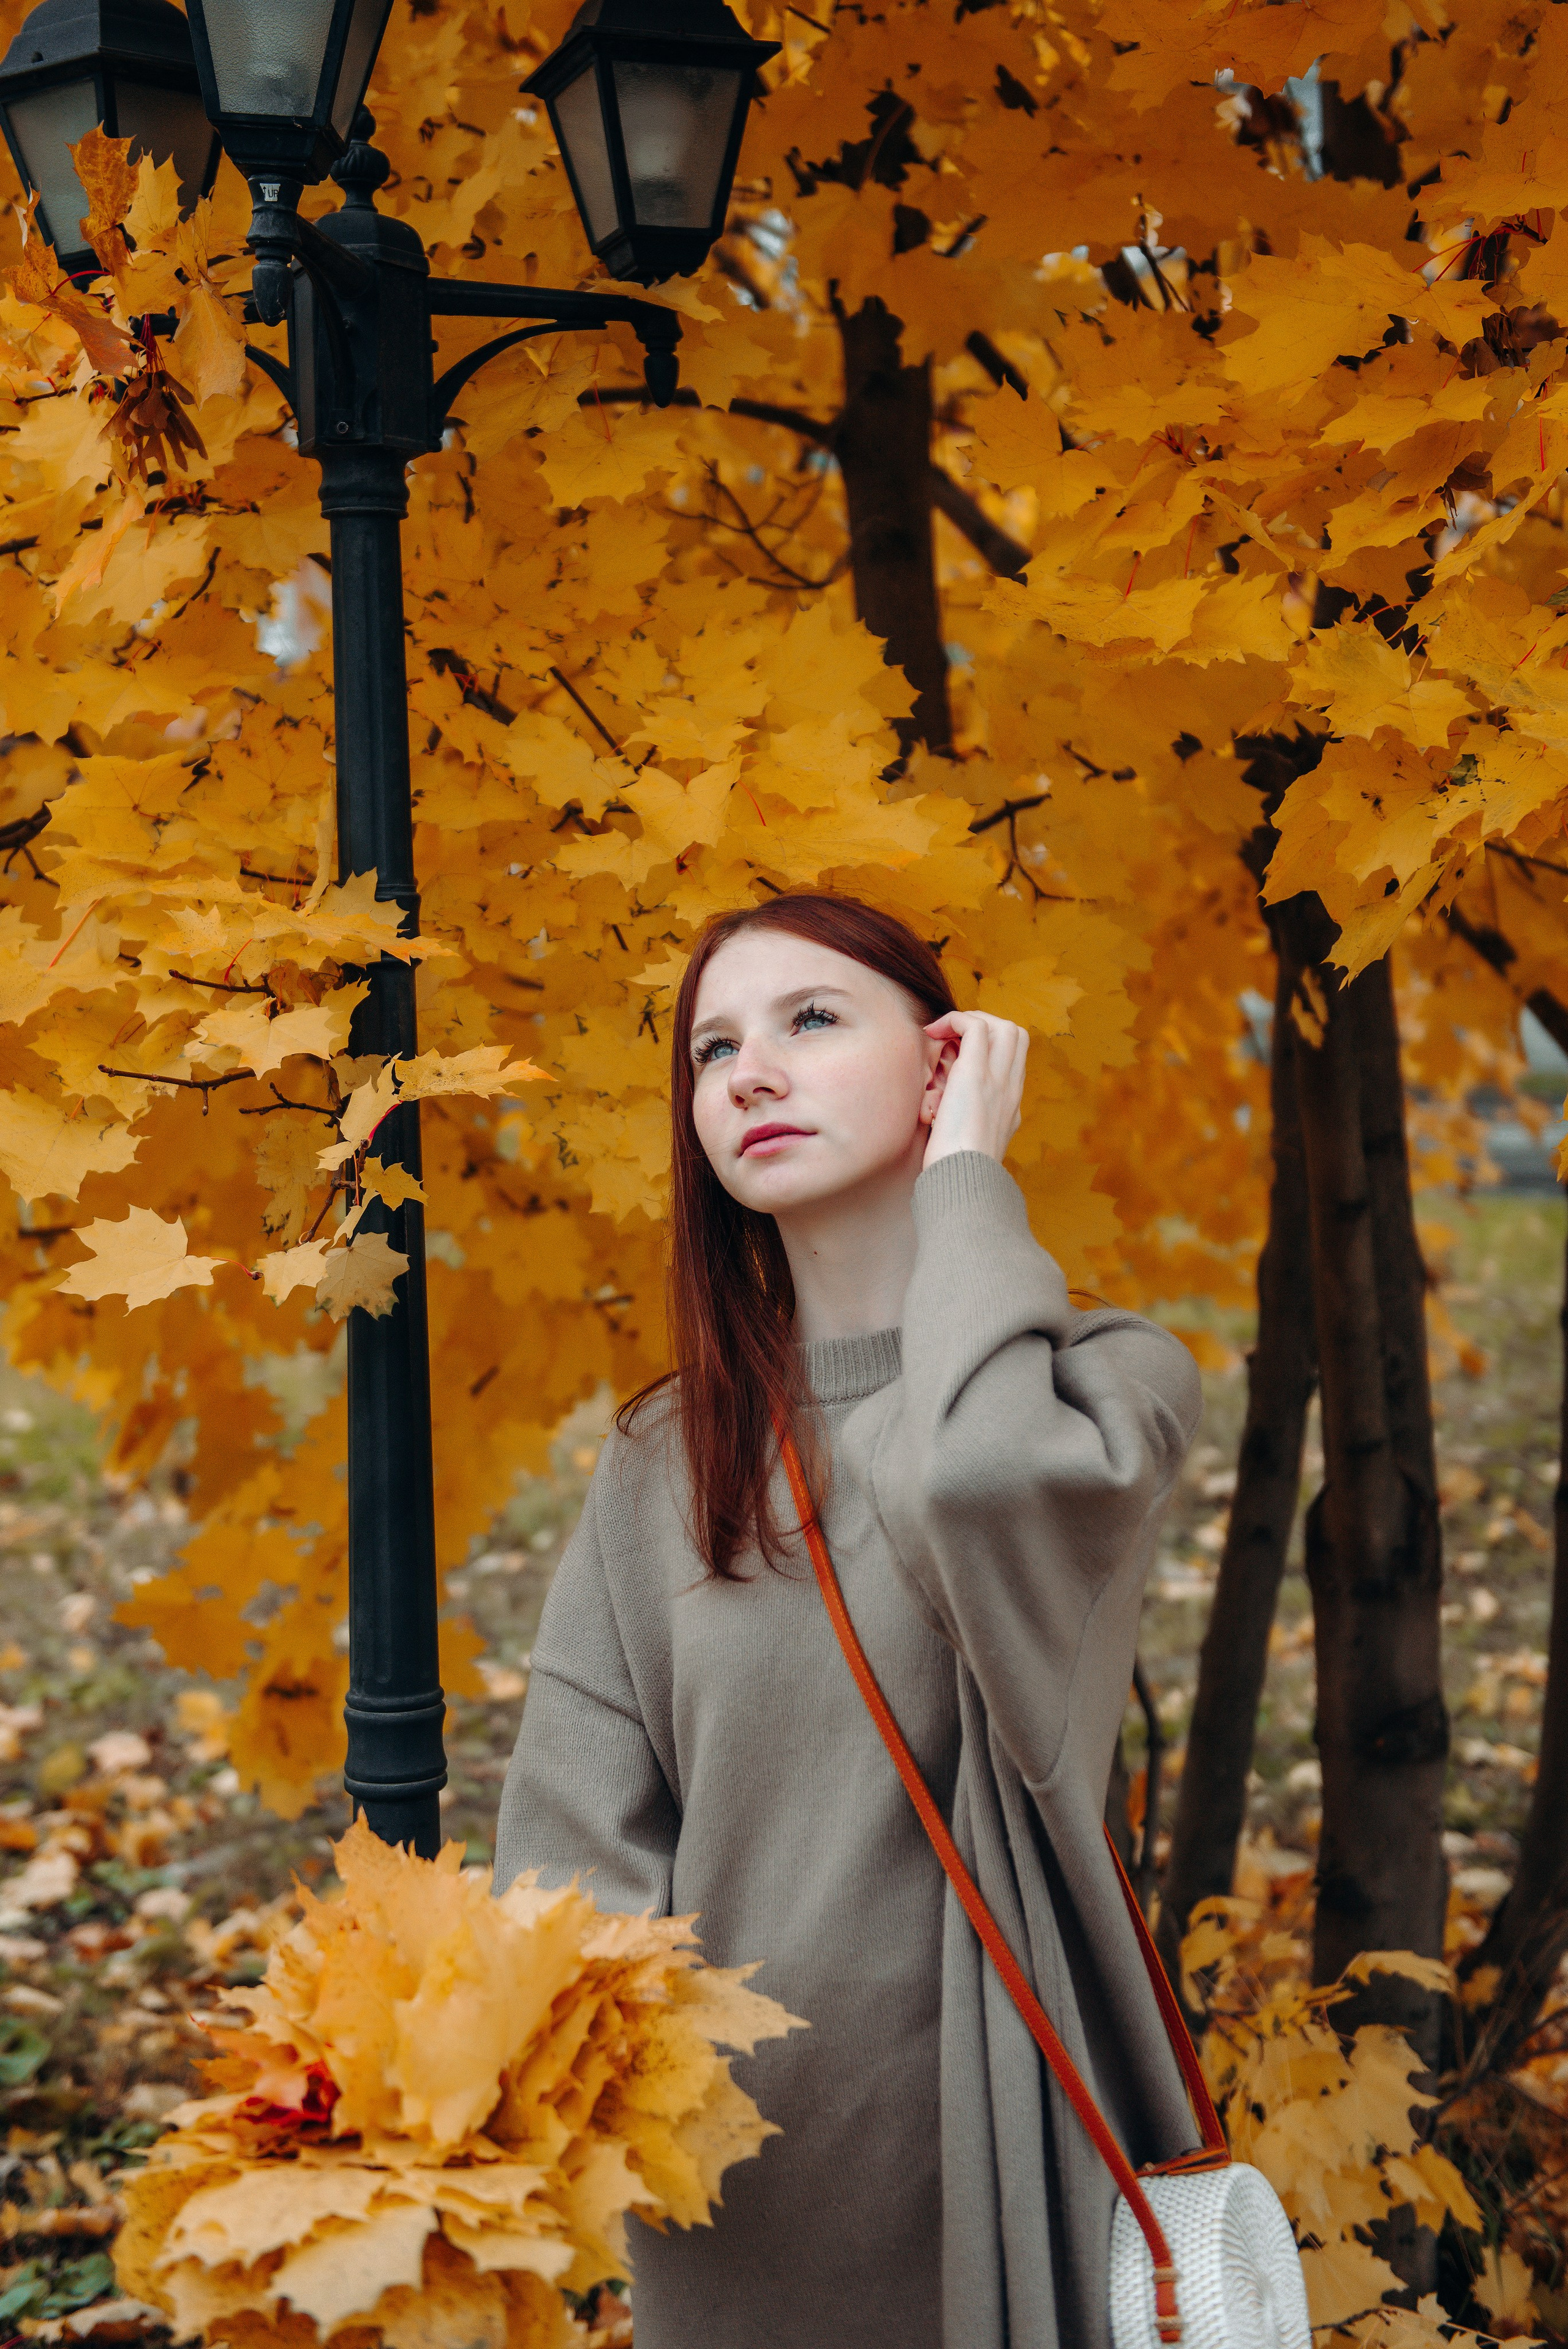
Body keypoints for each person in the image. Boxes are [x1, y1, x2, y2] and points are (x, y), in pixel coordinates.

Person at [494, 891, 1205, 2349]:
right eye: (712, 1049)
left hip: (1008, 2132)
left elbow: (963, 1471)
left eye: (812, 1020)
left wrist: (966, 1190)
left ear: (945, 1068)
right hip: (734, 2172)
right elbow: (569, 1853)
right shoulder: (662, 1458)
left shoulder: (1105, 1387)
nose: (748, 1071)